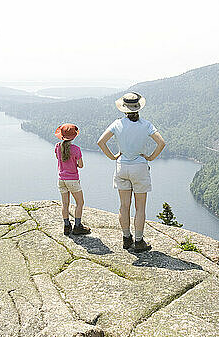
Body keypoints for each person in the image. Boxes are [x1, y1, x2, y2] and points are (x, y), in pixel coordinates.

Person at [97, 92, 166, 252]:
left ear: (124, 109)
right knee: (140, 208)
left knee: (124, 206)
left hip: (122, 167)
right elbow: (161, 143)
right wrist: (150, 157)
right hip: (140, 168)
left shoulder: (116, 124)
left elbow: (101, 142)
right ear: (138, 108)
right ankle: (139, 241)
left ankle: (126, 238)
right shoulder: (147, 125)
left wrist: (113, 156)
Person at [55, 123, 91, 236]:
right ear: (74, 136)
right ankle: (77, 226)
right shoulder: (76, 149)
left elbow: (58, 158)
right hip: (72, 180)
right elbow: (81, 165)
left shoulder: (57, 147)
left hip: (61, 179)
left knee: (65, 204)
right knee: (80, 202)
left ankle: (66, 226)